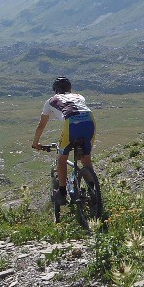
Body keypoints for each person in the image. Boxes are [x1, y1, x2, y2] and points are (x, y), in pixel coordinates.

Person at [31, 77, 96, 206]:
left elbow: (41, 125)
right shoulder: (79, 96)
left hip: (71, 124)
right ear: (70, 88)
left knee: (62, 158)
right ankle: (93, 193)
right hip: (90, 121)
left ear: (55, 90)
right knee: (86, 159)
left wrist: (35, 143)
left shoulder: (50, 101)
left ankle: (62, 193)